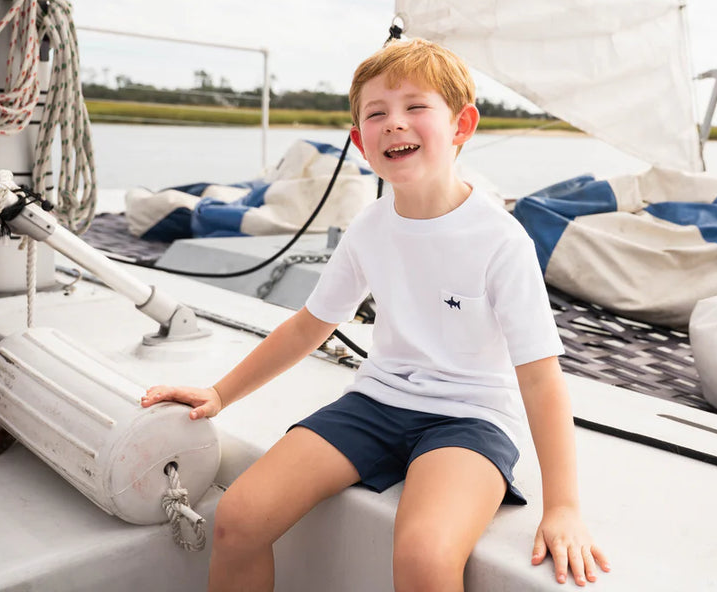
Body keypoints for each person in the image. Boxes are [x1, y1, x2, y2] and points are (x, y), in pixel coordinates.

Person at [141, 38, 610, 591]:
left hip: (472, 417)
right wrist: (220, 394)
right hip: (376, 402)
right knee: (238, 517)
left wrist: (563, 507)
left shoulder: (501, 241)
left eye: (416, 107)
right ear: (361, 142)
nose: (395, 123)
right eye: (377, 113)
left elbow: (540, 377)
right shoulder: (369, 227)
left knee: (424, 555)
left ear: (461, 125)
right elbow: (310, 326)